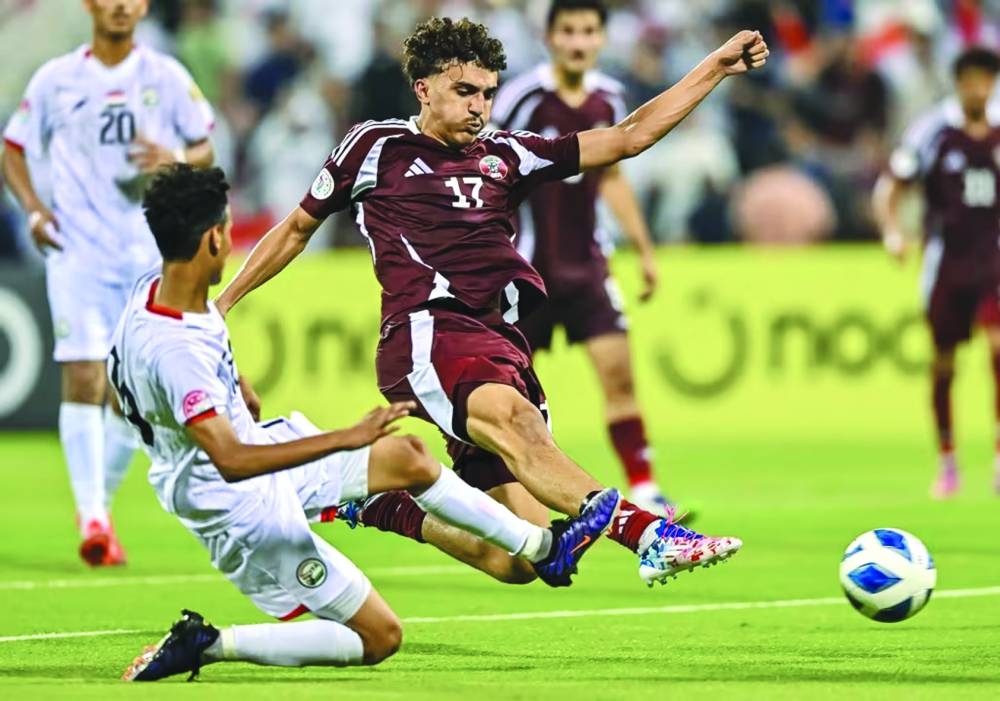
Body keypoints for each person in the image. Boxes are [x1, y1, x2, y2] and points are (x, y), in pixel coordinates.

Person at [217, 17, 767, 586]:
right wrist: (224, 301)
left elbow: (628, 137)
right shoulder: (374, 147)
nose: (480, 106)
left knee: (518, 558)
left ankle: (367, 503)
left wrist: (715, 68)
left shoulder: (508, 155)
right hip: (430, 332)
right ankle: (650, 535)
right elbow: (295, 229)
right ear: (424, 89)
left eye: (487, 93)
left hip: (502, 343)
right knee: (516, 421)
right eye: (464, 92)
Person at [116, 164, 619, 682]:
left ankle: (547, 549)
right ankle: (208, 643)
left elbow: (149, 376)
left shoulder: (154, 293)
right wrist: (348, 438)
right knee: (379, 637)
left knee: (410, 459)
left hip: (255, 456)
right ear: (214, 237)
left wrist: (226, 382)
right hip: (235, 505)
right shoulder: (175, 350)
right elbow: (231, 461)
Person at [1, 0, 215, 566]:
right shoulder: (56, 78)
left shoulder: (165, 75)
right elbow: (13, 147)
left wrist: (173, 157)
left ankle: (101, 503)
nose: (121, 6)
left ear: (143, 7)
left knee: (128, 396)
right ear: (90, 5)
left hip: (145, 252)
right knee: (83, 375)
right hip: (76, 253)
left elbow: (205, 145)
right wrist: (32, 209)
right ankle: (92, 514)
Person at [491, 0, 675, 516]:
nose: (578, 41)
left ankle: (645, 488)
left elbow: (611, 174)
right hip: (527, 267)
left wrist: (644, 248)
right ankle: (511, 490)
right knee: (512, 388)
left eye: (588, 31)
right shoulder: (522, 98)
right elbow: (489, 168)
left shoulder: (611, 98)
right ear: (550, 37)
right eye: (568, 31)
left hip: (588, 264)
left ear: (601, 39)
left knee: (619, 373)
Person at [874, 47, 1000, 498]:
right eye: (970, 79)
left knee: (998, 346)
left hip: (994, 258)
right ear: (959, 82)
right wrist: (893, 232)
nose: (978, 88)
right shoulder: (934, 132)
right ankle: (947, 460)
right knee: (944, 363)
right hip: (947, 259)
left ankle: (999, 459)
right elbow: (893, 184)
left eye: (986, 79)